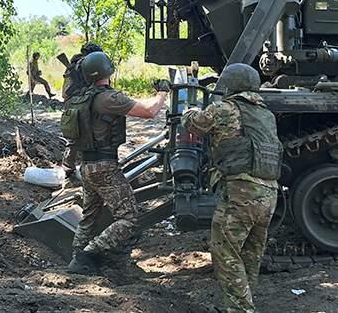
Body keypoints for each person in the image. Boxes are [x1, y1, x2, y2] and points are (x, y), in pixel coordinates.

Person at [181, 63, 282, 313]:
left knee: (225, 253)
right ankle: (246, 303)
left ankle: (240, 310)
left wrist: (188, 109)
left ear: (229, 85)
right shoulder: (265, 114)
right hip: (269, 194)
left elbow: (193, 123)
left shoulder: (224, 109)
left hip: (241, 194)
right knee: (251, 254)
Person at [65, 51, 169, 274]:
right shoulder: (108, 98)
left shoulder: (81, 97)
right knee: (130, 218)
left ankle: (76, 256)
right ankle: (89, 254)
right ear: (108, 70)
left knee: (89, 215)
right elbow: (150, 111)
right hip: (105, 167)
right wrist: (162, 92)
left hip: (87, 166)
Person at [60, 42, 104, 183]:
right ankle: (76, 169)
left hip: (73, 104)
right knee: (84, 135)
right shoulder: (83, 65)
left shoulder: (75, 64)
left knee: (75, 136)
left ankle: (70, 168)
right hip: (78, 104)